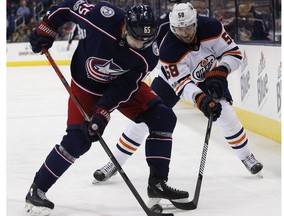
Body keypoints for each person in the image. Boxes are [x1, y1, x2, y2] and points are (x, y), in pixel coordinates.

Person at [25, 1, 190, 215]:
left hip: (118, 84)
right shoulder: (101, 17)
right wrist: (46, 28)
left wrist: (102, 112)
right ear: (125, 27)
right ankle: (37, 190)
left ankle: (157, 183)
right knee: (78, 140)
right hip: (86, 86)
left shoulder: (149, 53)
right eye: (136, 39)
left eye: (145, 41)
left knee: (163, 117)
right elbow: (67, 7)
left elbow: (125, 86)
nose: (140, 45)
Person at [93, 2, 264, 184]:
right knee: (144, 120)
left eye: (188, 27)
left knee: (226, 115)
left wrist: (221, 70)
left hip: (210, 76)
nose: (184, 33)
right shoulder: (167, 48)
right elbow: (182, 85)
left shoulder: (212, 27)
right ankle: (115, 162)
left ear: (196, 22)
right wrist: (201, 100)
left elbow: (233, 53)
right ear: (172, 26)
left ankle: (246, 156)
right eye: (179, 29)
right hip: (170, 82)